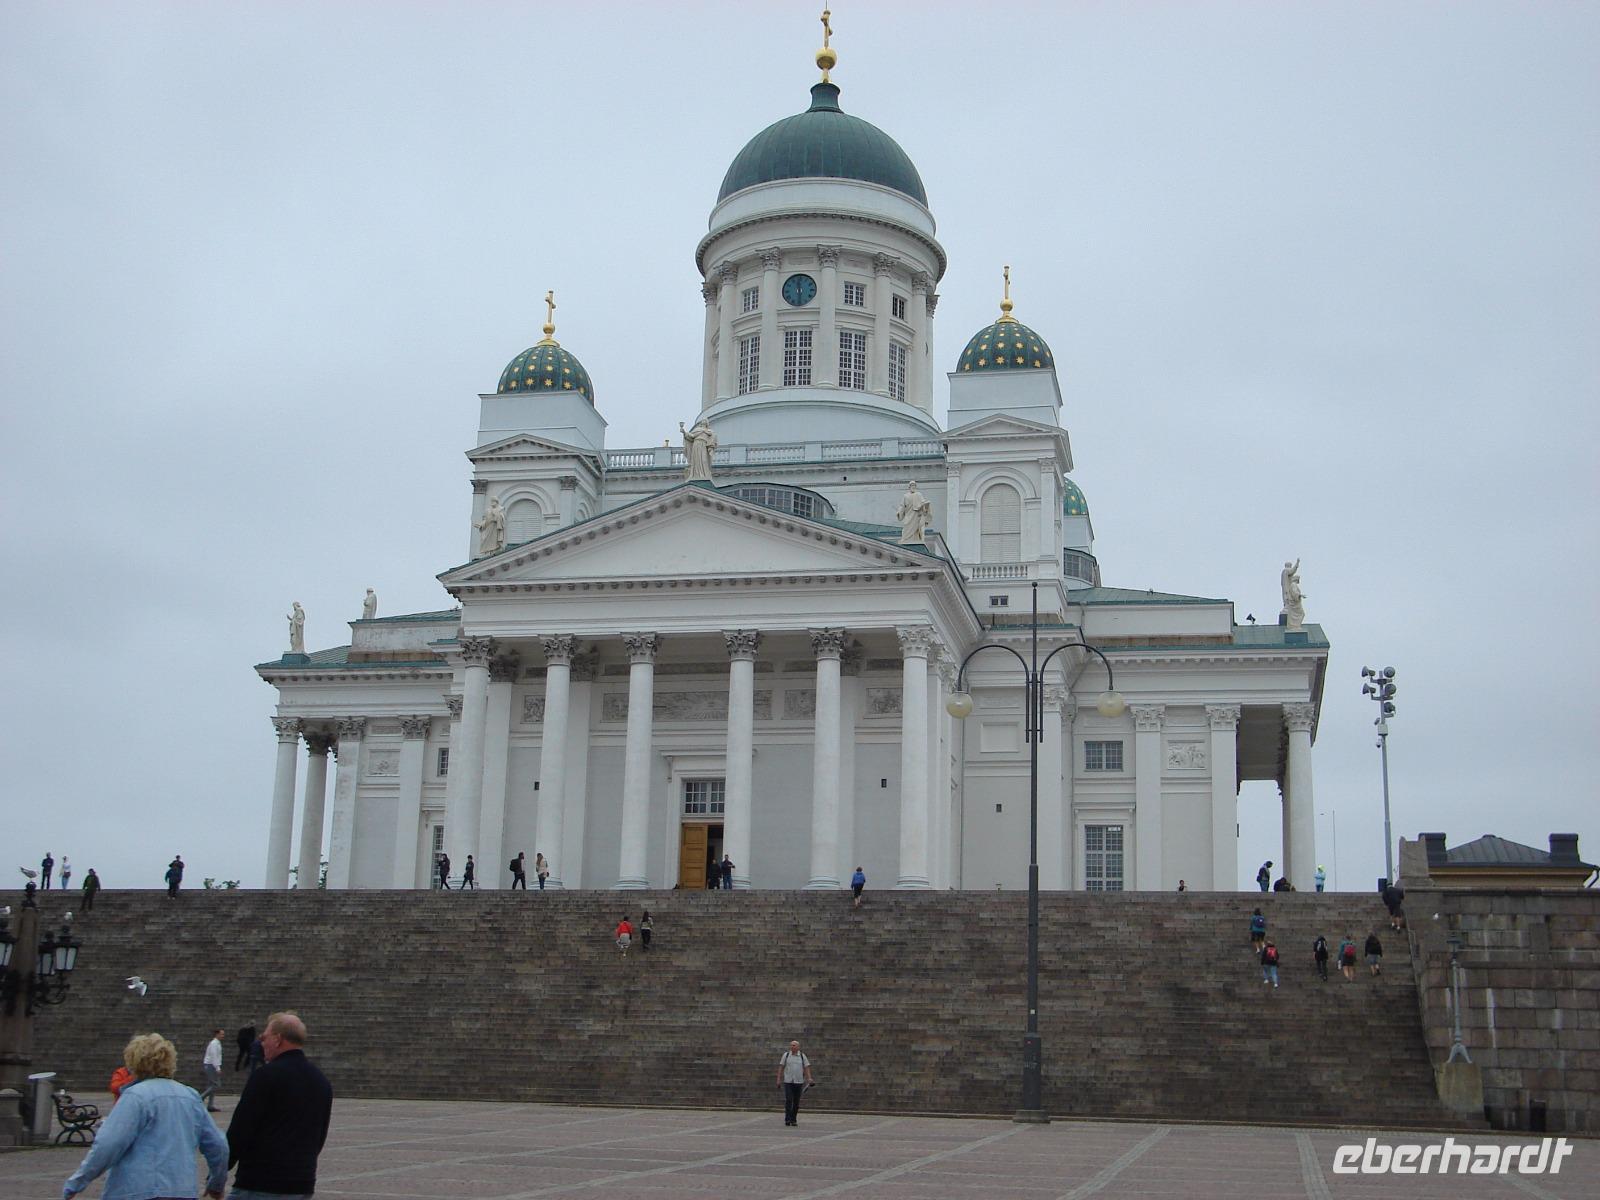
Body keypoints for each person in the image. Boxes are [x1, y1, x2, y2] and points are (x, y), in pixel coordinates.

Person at [64, 1032, 228, 1200]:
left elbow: (109, 1144)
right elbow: (218, 1145)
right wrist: (216, 1183)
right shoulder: (190, 1096)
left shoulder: (135, 1096)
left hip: (137, 1189)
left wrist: (76, 1183)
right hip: (182, 1189)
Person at [226, 1011, 334, 1200]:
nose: (261, 1042)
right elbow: (320, 1136)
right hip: (302, 1183)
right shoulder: (321, 1081)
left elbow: (241, 1129)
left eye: (264, 1037)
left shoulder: (265, 1076)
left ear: (277, 1039)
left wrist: (219, 1171)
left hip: (260, 1182)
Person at [777, 1039, 813, 1126]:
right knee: (789, 1100)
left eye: (794, 1045)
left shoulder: (802, 1056)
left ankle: (794, 1119)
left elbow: (806, 1067)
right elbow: (781, 1067)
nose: (792, 1047)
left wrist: (809, 1078)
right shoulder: (786, 1055)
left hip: (798, 1081)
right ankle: (787, 1119)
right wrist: (778, 1079)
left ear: (798, 1047)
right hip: (788, 1081)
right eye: (791, 1045)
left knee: (796, 1101)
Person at [201, 1027, 225, 1112]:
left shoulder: (217, 1043)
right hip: (211, 1065)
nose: (223, 1036)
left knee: (212, 1085)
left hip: (211, 1065)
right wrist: (217, 1067)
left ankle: (210, 1105)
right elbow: (214, 1056)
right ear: (217, 1034)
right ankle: (201, 1098)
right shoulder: (214, 1044)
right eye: (221, 1034)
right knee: (216, 1085)